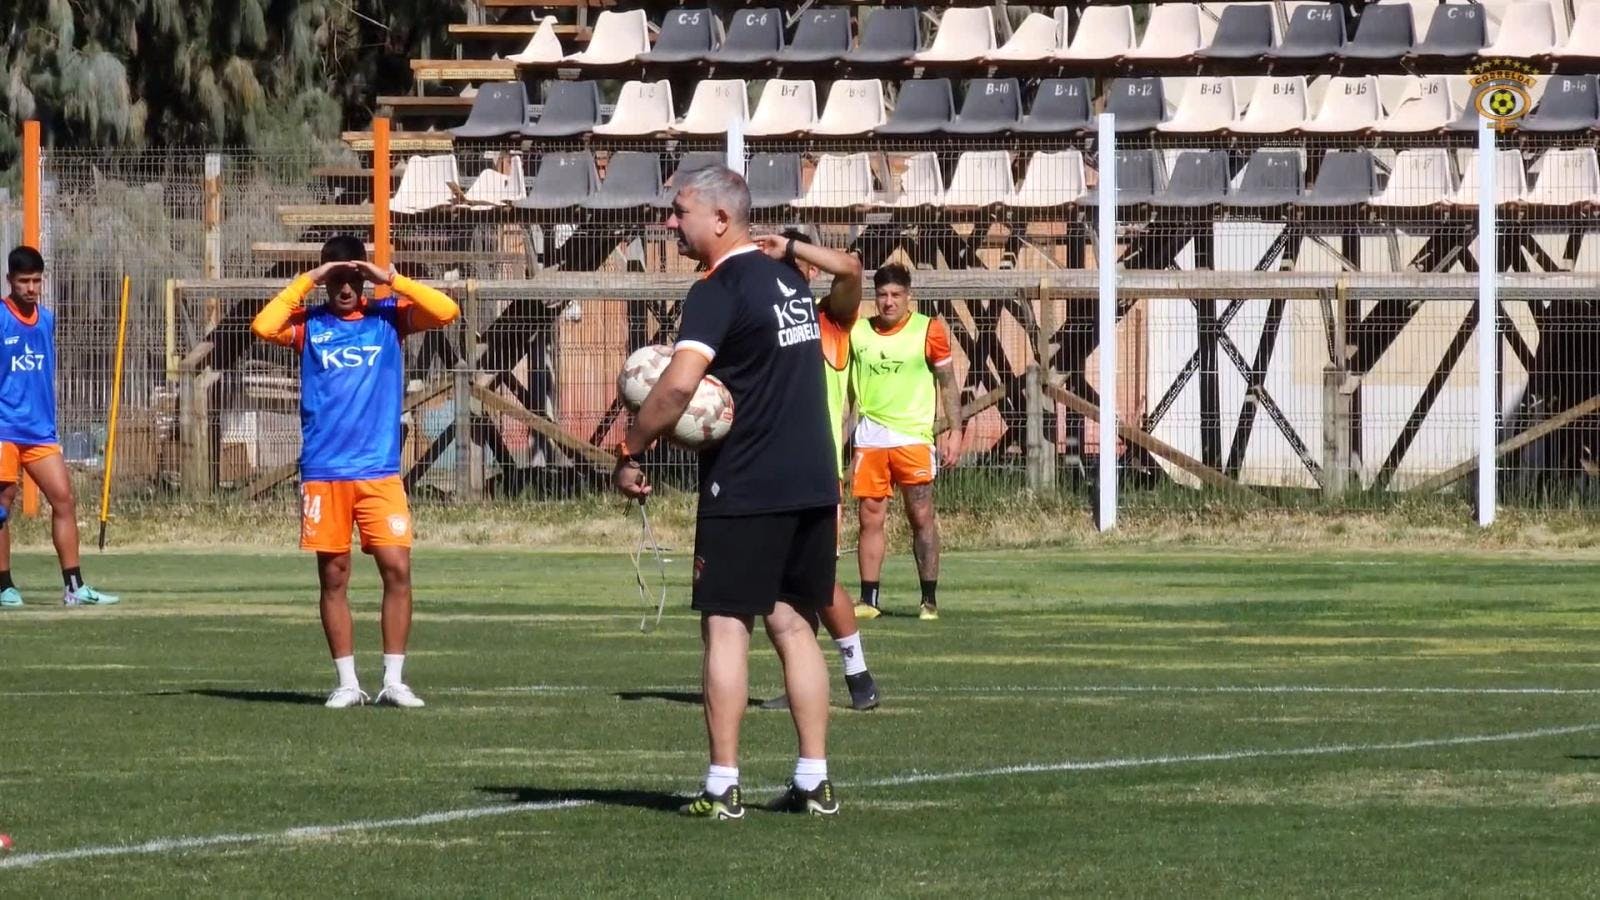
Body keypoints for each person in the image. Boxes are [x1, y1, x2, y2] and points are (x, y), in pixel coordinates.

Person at [615, 166, 841, 819]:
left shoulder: (717, 287)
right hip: (811, 477)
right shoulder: (788, 279)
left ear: (719, 219)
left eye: (678, 209)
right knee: (796, 626)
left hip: (748, 478)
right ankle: (813, 780)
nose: (669, 221)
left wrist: (631, 447)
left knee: (725, 627)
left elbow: (681, 387)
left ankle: (721, 787)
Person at [250, 236, 459, 708]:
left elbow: (445, 311)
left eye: (352, 278)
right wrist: (309, 280)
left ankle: (394, 679)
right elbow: (263, 326)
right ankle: (347, 683)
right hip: (325, 472)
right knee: (335, 576)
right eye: (336, 279)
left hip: (379, 471)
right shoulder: (309, 325)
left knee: (397, 568)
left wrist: (391, 278)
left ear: (363, 279)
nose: (345, 287)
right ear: (326, 281)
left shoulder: (388, 318)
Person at [753, 229, 879, 712]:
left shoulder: (830, 320)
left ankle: (857, 673)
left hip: (814, 470)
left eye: (790, 263)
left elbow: (851, 270)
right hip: (765, 470)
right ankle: (802, 680)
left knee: (817, 577)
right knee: (780, 586)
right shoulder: (758, 320)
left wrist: (789, 248)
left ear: (808, 267)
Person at [0, 245, 119, 608]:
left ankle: (74, 587)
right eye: (24, 282)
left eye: (37, 281)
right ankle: (4, 586)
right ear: (10, 281)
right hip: (4, 429)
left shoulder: (47, 320)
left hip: (40, 432)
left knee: (64, 500)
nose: (32, 288)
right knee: (3, 506)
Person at [851, 264, 962, 621]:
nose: (888, 302)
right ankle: (869, 599)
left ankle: (928, 600)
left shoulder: (929, 329)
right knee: (869, 517)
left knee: (921, 515)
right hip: (870, 437)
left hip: (913, 437)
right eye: (882, 295)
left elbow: (947, 382)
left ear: (908, 296)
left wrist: (955, 431)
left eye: (896, 295)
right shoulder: (859, 333)